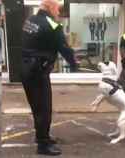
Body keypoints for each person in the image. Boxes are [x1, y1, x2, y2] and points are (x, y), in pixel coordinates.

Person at [21, 0, 77, 155]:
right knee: (44, 109)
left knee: (37, 107)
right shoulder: (52, 25)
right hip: (38, 71)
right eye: (58, 9)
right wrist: (74, 64)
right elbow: (64, 48)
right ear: (50, 8)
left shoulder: (30, 21)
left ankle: (42, 136)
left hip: (26, 69)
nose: (59, 13)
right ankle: (43, 145)